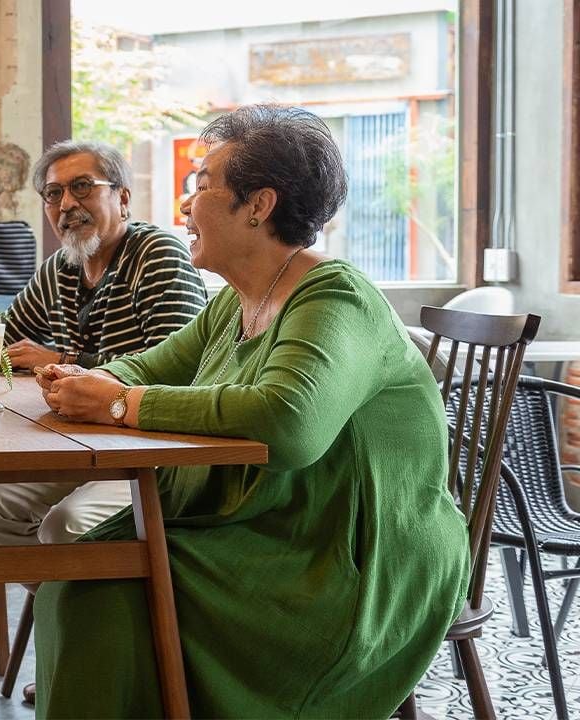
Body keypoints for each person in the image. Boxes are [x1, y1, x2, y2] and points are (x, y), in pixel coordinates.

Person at [30, 105, 469, 717]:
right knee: (84, 574)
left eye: (201, 185)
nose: (185, 205)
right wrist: (92, 378)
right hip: (262, 529)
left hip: (345, 559)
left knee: (97, 589)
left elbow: (289, 421)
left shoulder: (334, 296)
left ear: (258, 205)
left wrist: (121, 404)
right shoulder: (236, 302)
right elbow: (150, 367)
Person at [0, 141, 207, 552]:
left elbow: (177, 366)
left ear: (123, 198)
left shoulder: (157, 255)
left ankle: (73, 606)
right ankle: (60, 604)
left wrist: (66, 360)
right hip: (83, 444)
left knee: (68, 524)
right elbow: (4, 336)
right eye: (53, 194)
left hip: (154, 447)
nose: (66, 204)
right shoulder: (60, 268)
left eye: (82, 187)